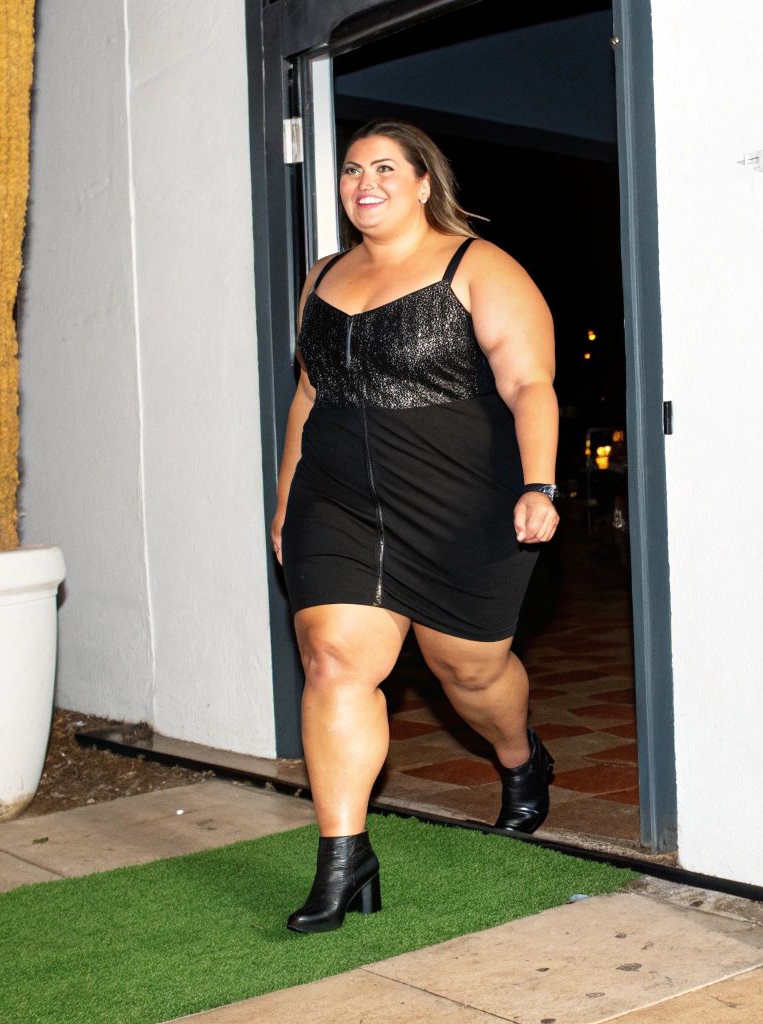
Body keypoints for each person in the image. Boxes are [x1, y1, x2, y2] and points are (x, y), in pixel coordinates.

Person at [269, 119, 560, 933]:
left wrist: (539, 482)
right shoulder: (320, 276)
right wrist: (288, 496)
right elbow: (309, 395)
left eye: (386, 168)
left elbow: (530, 384)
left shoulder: (478, 267)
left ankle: (518, 756)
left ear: (424, 182)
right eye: (353, 169)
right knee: (333, 660)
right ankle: (342, 855)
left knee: (466, 672)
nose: (366, 181)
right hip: (339, 499)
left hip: (461, 501)